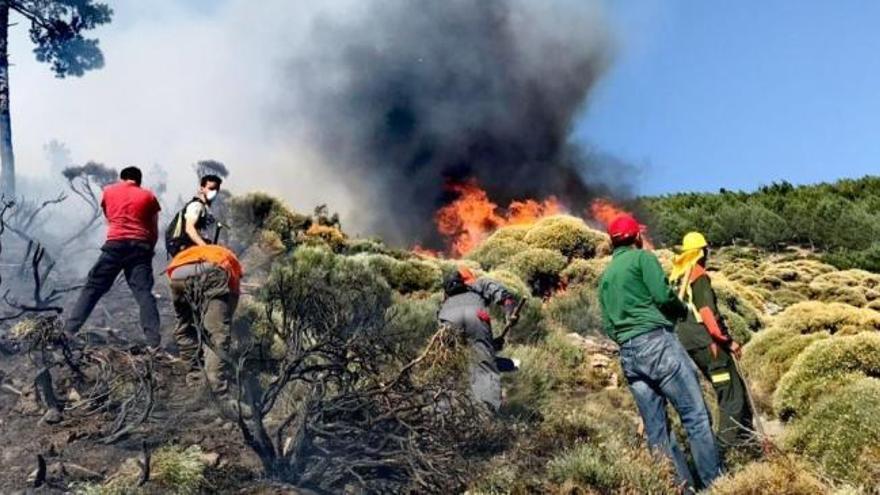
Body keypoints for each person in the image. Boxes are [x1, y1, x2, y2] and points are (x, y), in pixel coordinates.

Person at [597, 214, 722, 490]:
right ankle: (715, 486)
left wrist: (625, 339)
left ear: (611, 243)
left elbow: (607, 323)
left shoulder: (605, 277)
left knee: (657, 432)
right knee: (695, 417)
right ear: (637, 237)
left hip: (629, 355)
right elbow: (663, 295)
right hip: (657, 345)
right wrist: (679, 310)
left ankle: (678, 488)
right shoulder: (644, 259)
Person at [670, 232, 754, 450]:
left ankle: (745, 444)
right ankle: (729, 449)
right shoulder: (698, 276)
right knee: (731, 396)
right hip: (710, 345)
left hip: (687, 343)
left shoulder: (678, 276)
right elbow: (708, 314)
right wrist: (727, 341)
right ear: (702, 252)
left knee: (726, 391)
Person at [64, 166, 162, 348]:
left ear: (122, 178)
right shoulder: (148, 196)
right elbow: (153, 228)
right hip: (140, 248)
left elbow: (109, 217)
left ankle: (70, 331)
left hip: (115, 246)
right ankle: (154, 344)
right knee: (144, 294)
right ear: (138, 181)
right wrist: (149, 249)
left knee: (92, 288)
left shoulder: (109, 192)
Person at [166, 244, 242, 404]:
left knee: (186, 329)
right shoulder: (232, 265)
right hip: (212, 272)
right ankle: (218, 394)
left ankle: (195, 381)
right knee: (217, 333)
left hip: (178, 275)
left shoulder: (192, 252)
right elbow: (230, 304)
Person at [437, 266, 518, 412]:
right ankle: (487, 413)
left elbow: (465, 338)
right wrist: (510, 312)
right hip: (475, 314)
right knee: (484, 365)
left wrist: (491, 344)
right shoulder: (479, 283)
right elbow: (505, 296)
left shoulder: (447, 296)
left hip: (447, 316)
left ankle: (443, 414)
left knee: (450, 365)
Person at [165, 174, 222, 257]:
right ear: (202, 189)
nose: (214, 192)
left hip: (181, 245)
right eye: (211, 189)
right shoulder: (197, 206)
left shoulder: (202, 207)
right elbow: (189, 228)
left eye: (217, 190)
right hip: (182, 245)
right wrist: (205, 248)